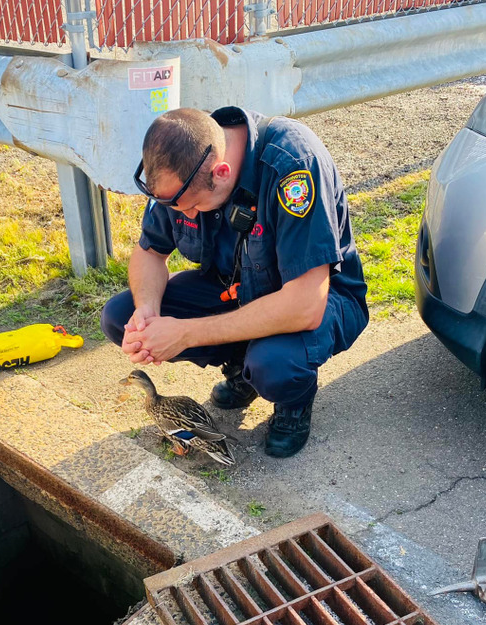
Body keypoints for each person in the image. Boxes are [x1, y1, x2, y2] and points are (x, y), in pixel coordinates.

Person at [100, 106, 369, 458]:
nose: (184, 215)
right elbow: (149, 253)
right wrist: (147, 311)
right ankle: (242, 367)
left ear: (222, 173)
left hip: (316, 298)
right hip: (234, 286)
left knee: (274, 366)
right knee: (119, 316)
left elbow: (305, 304)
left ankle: (292, 400)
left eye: (191, 207)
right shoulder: (181, 162)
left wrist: (186, 332)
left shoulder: (292, 167)